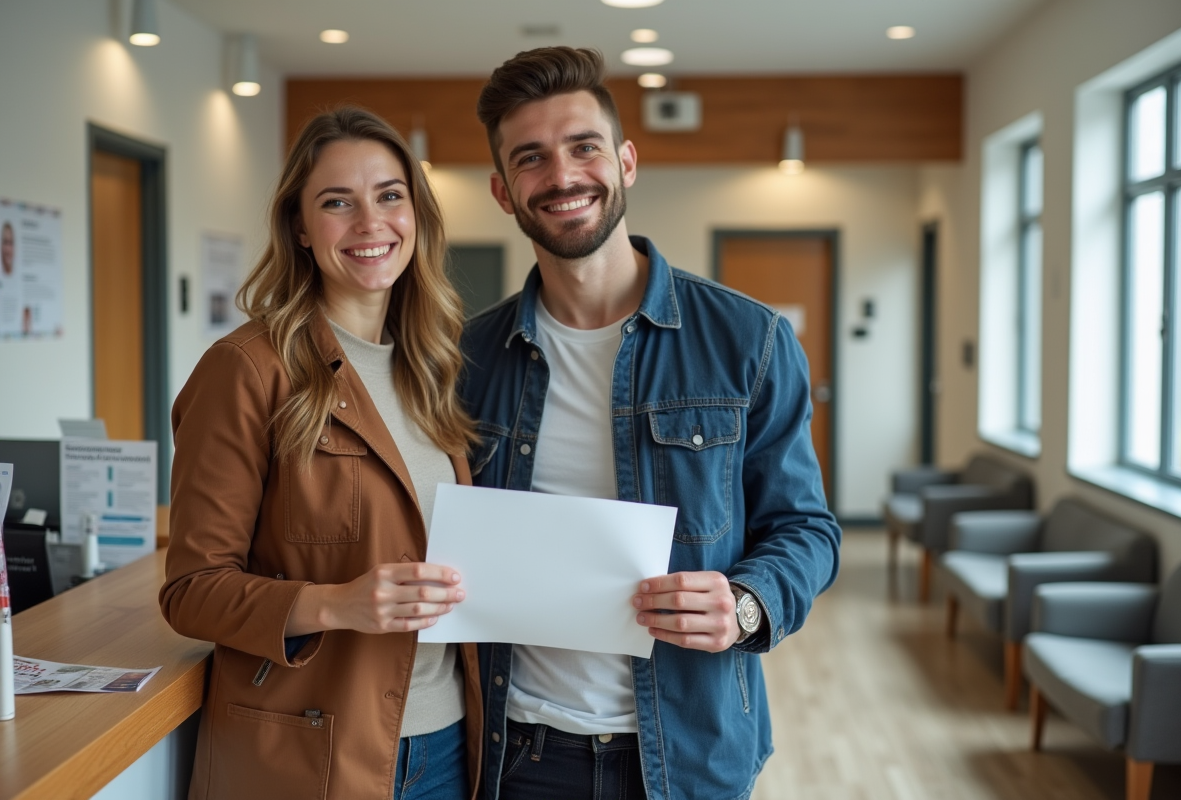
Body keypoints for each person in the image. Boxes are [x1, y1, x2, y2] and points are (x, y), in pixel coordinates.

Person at [459, 47, 842, 800]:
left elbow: (807, 529)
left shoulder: (750, 341)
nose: (563, 176)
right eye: (532, 159)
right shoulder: (465, 358)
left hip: (689, 754)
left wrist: (745, 604)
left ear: (626, 161)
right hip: (516, 753)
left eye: (584, 147)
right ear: (503, 191)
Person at [161, 107, 482, 800]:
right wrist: (335, 604)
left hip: (448, 743)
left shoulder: (432, 367)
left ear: (417, 216)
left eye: (390, 196)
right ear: (301, 228)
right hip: (314, 754)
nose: (371, 223)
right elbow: (191, 592)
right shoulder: (246, 369)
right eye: (338, 202)